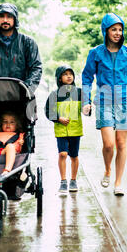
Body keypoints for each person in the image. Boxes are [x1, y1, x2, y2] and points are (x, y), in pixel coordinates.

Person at [82, 13, 127, 196]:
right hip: (104, 101)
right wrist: (86, 101)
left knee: (121, 143)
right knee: (109, 144)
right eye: (113, 29)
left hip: (125, 100)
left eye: (120, 29)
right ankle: (108, 169)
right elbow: (86, 77)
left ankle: (118, 182)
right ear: (106, 31)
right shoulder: (96, 53)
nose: (117, 33)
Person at [0, 3, 42, 93]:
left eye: (9, 16)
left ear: (15, 19)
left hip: (20, 98)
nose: (5, 20)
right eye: (2, 16)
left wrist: (26, 89)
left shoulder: (28, 43)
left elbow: (36, 68)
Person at [45, 65, 83, 194]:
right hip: (61, 130)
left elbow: (86, 108)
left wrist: (88, 108)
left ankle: (73, 180)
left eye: (70, 73)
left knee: (74, 156)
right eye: (65, 74)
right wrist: (58, 118)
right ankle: (63, 181)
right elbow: (48, 111)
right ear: (60, 78)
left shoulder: (79, 92)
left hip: (75, 130)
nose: (69, 76)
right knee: (63, 154)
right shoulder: (54, 94)